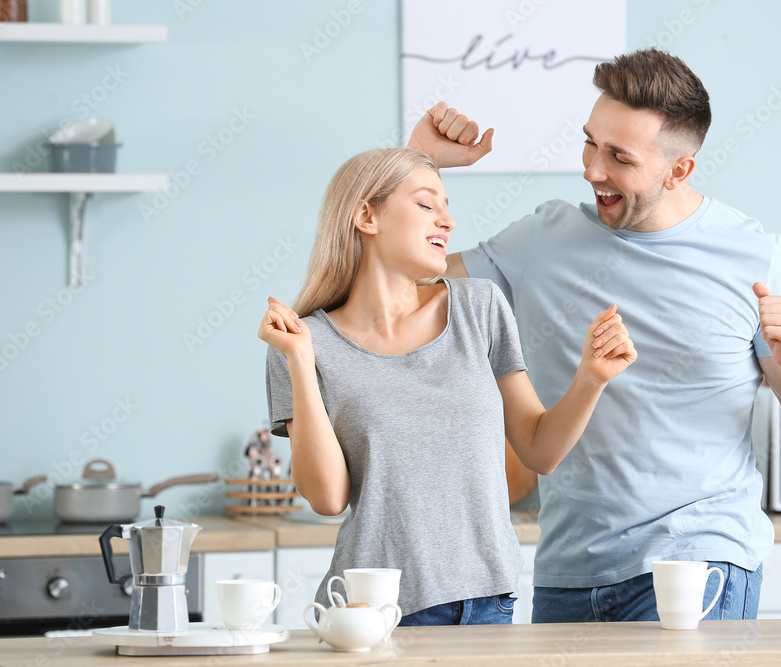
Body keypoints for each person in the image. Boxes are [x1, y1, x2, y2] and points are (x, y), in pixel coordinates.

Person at [407, 47, 781, 623]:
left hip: (699, 559)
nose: (593, 169)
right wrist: (418, 164)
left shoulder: (755, 260)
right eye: (590, 142)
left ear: (679, 170)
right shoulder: (542, 240)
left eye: (619, 156)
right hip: (570, 568)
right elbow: (404, 285)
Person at [257, 147, 637, 626]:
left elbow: (539, 453)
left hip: (488, 601)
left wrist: (591, 379)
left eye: (447, 205)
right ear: (366, 215)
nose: (448, 221)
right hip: (375, 610)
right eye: (426, 204)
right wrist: (300, 360)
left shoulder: (480, 308)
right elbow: (328, 498)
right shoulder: (302, 345)